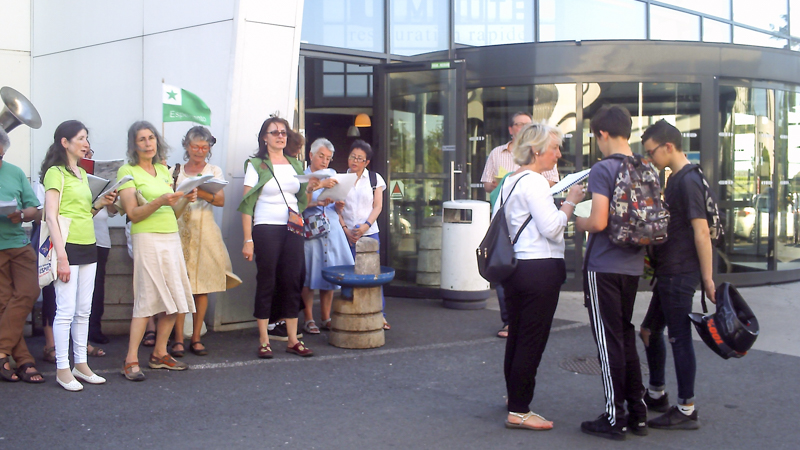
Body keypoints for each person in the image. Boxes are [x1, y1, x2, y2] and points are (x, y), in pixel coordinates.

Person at [497, 122, 584, 431]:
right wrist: (571, 201)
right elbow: (552, 228)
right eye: (554, 148)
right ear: (536, 150)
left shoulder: (511, 180)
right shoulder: (535, 182)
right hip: (539, 270)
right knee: (531, 339)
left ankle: (514, 398)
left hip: (516, 268)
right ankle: (520, 410)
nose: (558, 154)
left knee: (518, 336)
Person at [575, 105, 649, 440]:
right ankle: (637, 410)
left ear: (602, 134)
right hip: (633, 266)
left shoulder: (604, 168)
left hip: (604, 265)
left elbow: (600, 221)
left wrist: (578, 221)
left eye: (596, 137)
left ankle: (613, 416)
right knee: (624, 334)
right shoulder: (645, 167)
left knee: (608, 343)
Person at [639, 119, 715, 430]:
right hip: (670, 270)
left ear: (668, 147)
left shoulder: (687, 181)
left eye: (651, 152)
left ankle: (686, 409)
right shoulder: (677, 178)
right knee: (648, 331)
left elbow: (702, 231)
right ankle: (657, 393)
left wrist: (708, 280)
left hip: (680, 272)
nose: (649, 159)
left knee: (679, 337)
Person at [117, 121, 197, 381]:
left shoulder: (163, 170)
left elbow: (173, 213)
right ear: (134, 144)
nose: (148, 143)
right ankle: (130, 359)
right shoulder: (126, 171)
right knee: (146, 299)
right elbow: (133, 214)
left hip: (170, 236)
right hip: (147, 238)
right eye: (142, 139)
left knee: (175, 297)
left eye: (151, 137)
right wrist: (161, 200)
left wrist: (185, 198)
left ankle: (159, 354)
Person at [41, 120, 116, 391]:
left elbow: (85, 213)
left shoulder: (82, 174)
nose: (86, 143)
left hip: (89, 244)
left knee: (84, 309)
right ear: (65, 142)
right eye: (81, 138)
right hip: (67, 247)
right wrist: (61, 256)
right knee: (65, 310)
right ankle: (63, 368)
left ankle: (80, 364)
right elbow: (51, 215)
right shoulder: (55, 173)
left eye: (86, 138)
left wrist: (100, 203)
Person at [480, 112, 559, 339]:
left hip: (532, 215)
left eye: (528, 125)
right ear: (511, 129)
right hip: (506, 213)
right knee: (505, 261)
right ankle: (510, 321)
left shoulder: (543, 158)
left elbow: (552, 181)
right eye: (520, 125)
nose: (524, 128)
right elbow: (486, 183)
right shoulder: (498, 153)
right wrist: (502, 181)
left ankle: (516, 322)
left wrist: (523, 178)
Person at [239, 116, 313, 358]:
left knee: (293, 279)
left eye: (283, 132)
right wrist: (247, 239)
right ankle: (264, 339)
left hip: (293, 227)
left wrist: (313, 187)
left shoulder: (295, 164)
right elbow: (247, 205)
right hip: (266, 226)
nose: (280, 136)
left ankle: (292, 339)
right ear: (264, 137)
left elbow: (302, 201)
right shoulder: (256, 164)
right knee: (267, 279)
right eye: (274, 132)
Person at [170, 126, 240, 357]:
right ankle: (178, 339)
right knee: (180, 287)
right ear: (186, 147)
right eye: (195, 146)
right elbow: (169, 201)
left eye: (204, 146)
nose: (199, 151)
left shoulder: (214, 171)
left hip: (205, 231)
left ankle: (197, 337)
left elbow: (219, 200)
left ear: (209, 148)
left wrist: (199, 192)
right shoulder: (175, 171)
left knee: (202, 288)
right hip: (180, 230)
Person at [0, 128, 45, 384]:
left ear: (3, 151)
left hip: (18, 243)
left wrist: (23, 215)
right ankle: (24, 360)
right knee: (4, 304)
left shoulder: (15, 172)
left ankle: (2, 351)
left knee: (29, 292)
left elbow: (35, 210)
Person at [301, 138, 355, 334]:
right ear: (311, 155)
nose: (324, 161)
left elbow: (334, 201)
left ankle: (326, 317)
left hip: (331, 227)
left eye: (328, 158)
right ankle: (308, 318)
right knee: (309, 275)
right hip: (312, 230)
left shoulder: (333, 174)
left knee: (330, 273)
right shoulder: (303, 176)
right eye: (321, 156)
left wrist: (337, 204)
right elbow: (300, 204)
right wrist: (318, 196)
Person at [338, 140, 388, 329]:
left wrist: (366, 226)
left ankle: (379, 314)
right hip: (347, 233)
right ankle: (351, 314)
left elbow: (378, 206)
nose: (355, 161)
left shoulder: (375, 179)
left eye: (359, 159)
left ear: (367, 162)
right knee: (349, 275)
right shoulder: (341, 178)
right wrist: (345, 229)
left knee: (372, 275)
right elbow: (336, 208)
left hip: (370, 233)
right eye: (352, 156)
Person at [86, 144, 116, 346]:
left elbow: (114, 211)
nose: (87, 155)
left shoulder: (101, 177)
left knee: (97, 285)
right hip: (78, 236)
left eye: (89, 153)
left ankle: (94, 328)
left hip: (101, 237)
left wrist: (112, 196)